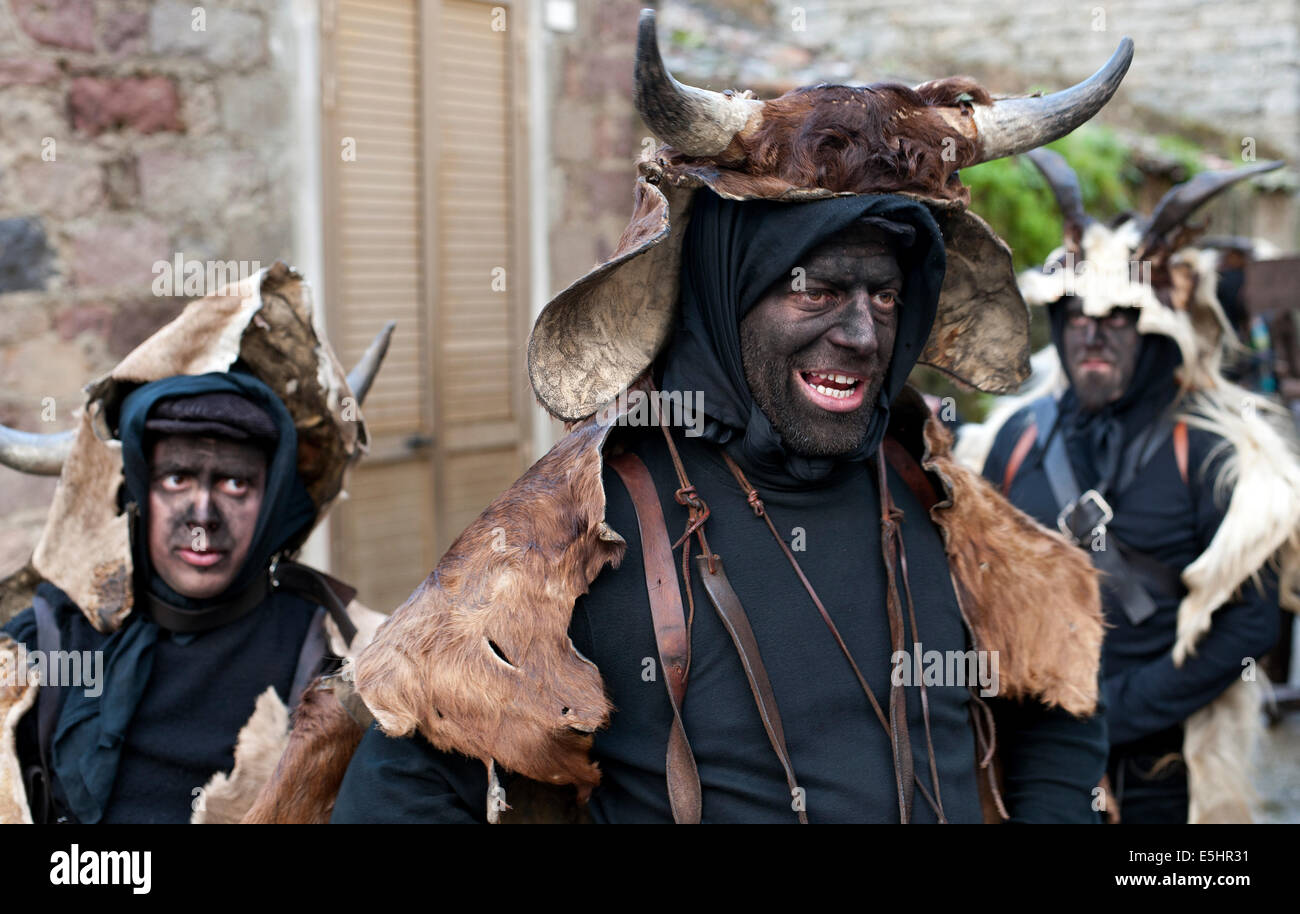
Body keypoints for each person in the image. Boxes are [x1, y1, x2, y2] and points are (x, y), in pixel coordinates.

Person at [255, 10, 1133, 824]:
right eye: (818, 289)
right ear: (728, 297)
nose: (861, 333)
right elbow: (406, 787)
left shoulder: (944, 505)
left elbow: (1055, 704)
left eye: (886, 294)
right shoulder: (565, 539)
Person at [0, 264, 388, 824]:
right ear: (139, 490)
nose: (202, 517)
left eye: (235, 483)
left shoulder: (339, 656)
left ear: (273, 497)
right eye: (176, 479)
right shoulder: (48, 646)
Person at [981, 149, 1300, 823]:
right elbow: (976, 588)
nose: (1093, 334)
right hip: (1030, 759)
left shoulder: (1213, 453)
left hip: (1161, 768)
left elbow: (1250, 620)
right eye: (1076, 315)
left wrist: (1114, 713)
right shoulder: (1013, 442)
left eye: (1117, 318)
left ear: (1155, 330)